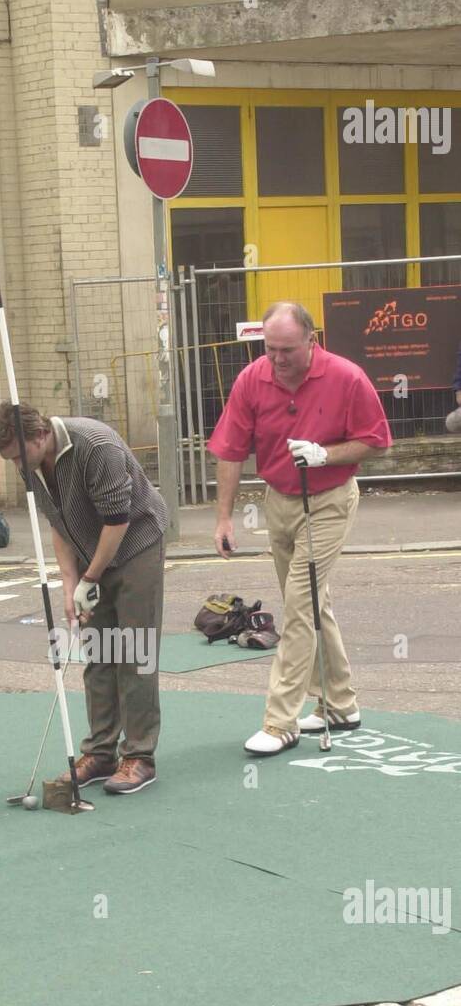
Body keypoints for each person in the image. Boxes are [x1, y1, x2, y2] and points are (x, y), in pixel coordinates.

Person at [208, 301, 392, 756]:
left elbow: (377, 442)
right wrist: (224, 517)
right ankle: (341, 705)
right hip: (280, 501)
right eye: (269, 349)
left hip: (329, 500)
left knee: (298, 605)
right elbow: (230, 450)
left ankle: (280, 722)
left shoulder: (346, 377)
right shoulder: (253, 378)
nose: (277, 359)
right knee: (314, 605)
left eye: (287, 349)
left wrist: (325, 454)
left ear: (312, 339)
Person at [0, 403, 168, 793]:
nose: (17, 465)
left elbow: (118, 521)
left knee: (133, 651)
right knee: (98, 653)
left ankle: (139, 756)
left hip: (136, 544)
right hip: (90, 554)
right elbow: (59, 524)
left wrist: (91, 577)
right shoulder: (31, 462)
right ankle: (101, 753)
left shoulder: (95, 446)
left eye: (17, 455)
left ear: (39, 436)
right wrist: (70, 587)